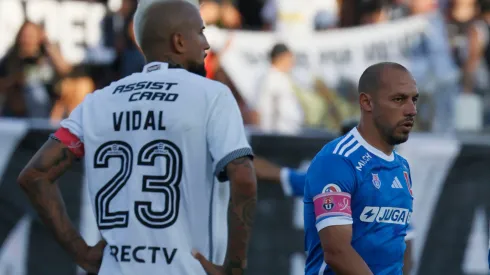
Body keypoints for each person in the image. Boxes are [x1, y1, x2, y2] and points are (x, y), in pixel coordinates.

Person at [17, 1, 257, 275]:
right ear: (179, 41)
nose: (206, 44)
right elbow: (244, 179)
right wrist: (235, 268)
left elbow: (35, 175)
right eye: (200, 32)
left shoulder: (97, 102)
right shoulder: (213, 95)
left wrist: (80, 251)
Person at [303, 62, 417, 274]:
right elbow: (337, 252)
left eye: (414, 99)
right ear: (367, 102)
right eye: (399, 99)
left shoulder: (402, 167)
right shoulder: (337, 160)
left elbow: (399, 243)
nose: (411, 110)